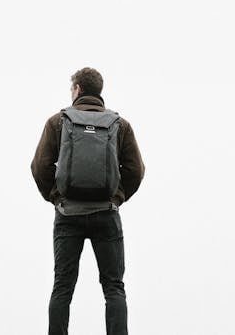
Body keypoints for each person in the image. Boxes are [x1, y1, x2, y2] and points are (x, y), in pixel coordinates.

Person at [31, 67, 146, 335]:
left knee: (63, 286)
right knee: (113, 287)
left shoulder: (57, 122)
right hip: (106, 214)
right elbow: (136, 170)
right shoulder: (120, 125)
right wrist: (116, 197)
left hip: (68, 215)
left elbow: (39, 167)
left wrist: (57, 197)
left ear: (78, 90)